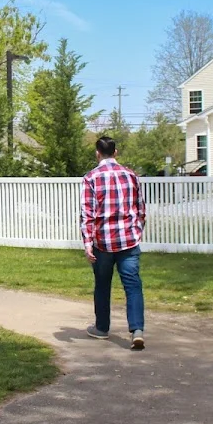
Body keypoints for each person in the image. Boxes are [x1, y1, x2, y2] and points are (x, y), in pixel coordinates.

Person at [80, 135, 146, 350]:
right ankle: (137, 330)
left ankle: (102, 328)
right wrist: (138, 230)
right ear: (115, 152)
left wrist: (87, 243)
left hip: (103, 242)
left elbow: (87, 214)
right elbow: (140, 208)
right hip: (128, 240)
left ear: (97, 153)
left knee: (102, 284)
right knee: (133, 285)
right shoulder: (131, 175)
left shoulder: (91, 178)